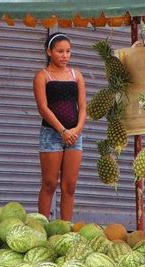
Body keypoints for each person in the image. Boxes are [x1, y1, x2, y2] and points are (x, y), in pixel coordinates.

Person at [33, 32, 86, 221]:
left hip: (74, 135)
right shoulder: (42, 76)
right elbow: (43, 107)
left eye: (68, 52)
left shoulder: (76, 76)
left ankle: (65, 228)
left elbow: (83, 107)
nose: (65, 56)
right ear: (49, 52)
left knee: (69, 186)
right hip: (52, 134)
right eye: (60, 51)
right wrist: (62, 131)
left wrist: (76, 130)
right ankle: (43, 226)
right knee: (49, 184)